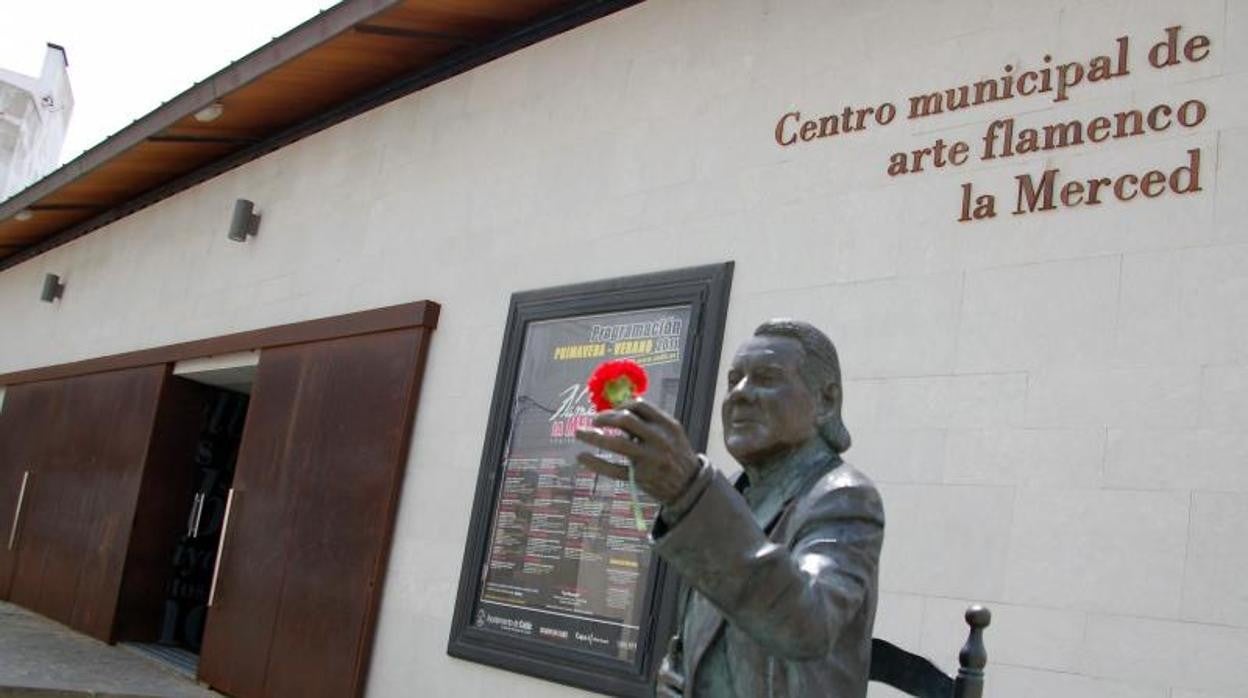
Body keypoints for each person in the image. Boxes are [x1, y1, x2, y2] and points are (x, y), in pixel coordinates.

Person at [576, 319, 884, 697]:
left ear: (826, 401)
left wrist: (691, 492)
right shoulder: (736, 493)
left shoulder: (842, 497)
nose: (740, 394)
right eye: (733, 379)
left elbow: (807, 626)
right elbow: (692, 644)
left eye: (767, 378)